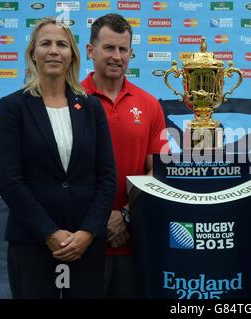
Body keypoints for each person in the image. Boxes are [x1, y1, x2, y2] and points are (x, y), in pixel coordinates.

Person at [0, 18, 117, 298]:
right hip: (32, 245)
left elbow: (107, 177)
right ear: (33, 53)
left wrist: (88, 232)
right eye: (45, 43)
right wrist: (50, 234)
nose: (53, 50)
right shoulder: (13, 107)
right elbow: (10, 182)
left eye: (61, 44)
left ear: (72, 55)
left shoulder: (90, 107)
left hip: (86, 246)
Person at [81, 13, 169, 298]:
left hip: (133, 241)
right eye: (109, 48)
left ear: (131, 53)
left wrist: (124, 216)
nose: (116, 56)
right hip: (81, 241)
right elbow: (63, 173)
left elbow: (157, 171)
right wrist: (101, 217)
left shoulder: (150, 105)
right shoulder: (72, 99)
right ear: (90, 51)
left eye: (123, 49)